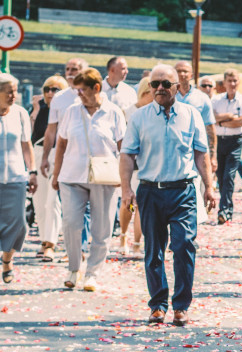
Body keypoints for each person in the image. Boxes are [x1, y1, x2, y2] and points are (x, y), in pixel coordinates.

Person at [120, 64, 215, 327]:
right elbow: (127, 154)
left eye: (165, 84)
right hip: (150, 190)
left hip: (183, 190)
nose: (159, 88)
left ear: (177, 86)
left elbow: (200, 153)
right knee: (154, 251)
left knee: (184, 245)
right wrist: (126, 188)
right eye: (154, 84)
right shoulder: (139, 118)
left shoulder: (191, 114)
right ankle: (158, 305)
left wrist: (209, 186)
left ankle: (181, 306)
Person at [51, 68, 126, 292]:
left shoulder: (114, 112)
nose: (78, 95)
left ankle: (92, 273)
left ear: (96, 88)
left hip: (105, 178)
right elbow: (61, 145)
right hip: (72, 175)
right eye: (76, 91)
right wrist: (56, 175)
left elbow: (124, 148)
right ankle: (74, 268)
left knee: (101, 229)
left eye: (82, 90)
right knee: (71, 224)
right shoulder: (72, 112)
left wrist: (126, 178)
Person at [0, 74, 38, 284]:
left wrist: (32, 171)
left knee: (19, 225)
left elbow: (26, 145)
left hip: (15, 177)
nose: (13, 95)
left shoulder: (20, 113)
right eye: (9, 91)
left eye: (15, 91)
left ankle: (7, 259)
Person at [30, 75, 66, 262]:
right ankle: (44, 241)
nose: (50, 93)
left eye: (55, 90)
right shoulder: (40, 109)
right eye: (47, 89)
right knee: (40, 201)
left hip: (57, 154)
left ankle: (51, 243)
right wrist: (36, 108)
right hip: (38, 152)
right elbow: (31, 132)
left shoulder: (66, 109)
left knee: (53, 202)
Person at [115, 79, 153, 257]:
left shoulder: (156, 113)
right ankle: (123, 236)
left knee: (140, 206)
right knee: (128, 204)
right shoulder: (128, 112)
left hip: (147, 162)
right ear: (146, 92)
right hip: (131, 162)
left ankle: (137, 243)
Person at [211, 69, 242, 223]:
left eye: (235, 81)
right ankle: (228, 207)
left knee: (229, 176)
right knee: (221, 177)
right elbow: (211, 119)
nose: (232, 84)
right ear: (224, 82)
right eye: (229, 80)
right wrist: (228, 117)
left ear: (238, 82)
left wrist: (220, 121)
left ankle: (224, 210)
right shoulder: (216, 100)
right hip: (219, 140)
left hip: (235, 140)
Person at [40, 58, 87, 180]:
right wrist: (45, 157)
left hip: (87, 157)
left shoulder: (94, 95)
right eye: (67, 69)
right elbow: (51, 130)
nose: (70, 73)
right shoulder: (59, 97)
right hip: (63, 156)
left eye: (74, 69)